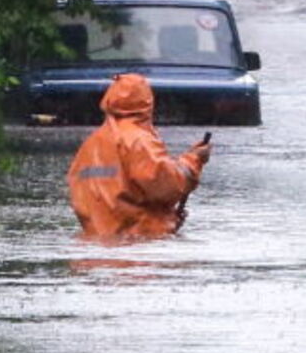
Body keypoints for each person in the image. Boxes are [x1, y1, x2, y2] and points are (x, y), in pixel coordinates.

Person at [68, 73, 211, 240]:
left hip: (92, 246)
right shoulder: (138, 140)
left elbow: (91, 196)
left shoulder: (91, 144)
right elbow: (166, 185)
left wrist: (165, 216)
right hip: (136, 246)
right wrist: (194, 159)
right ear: (147, 102)